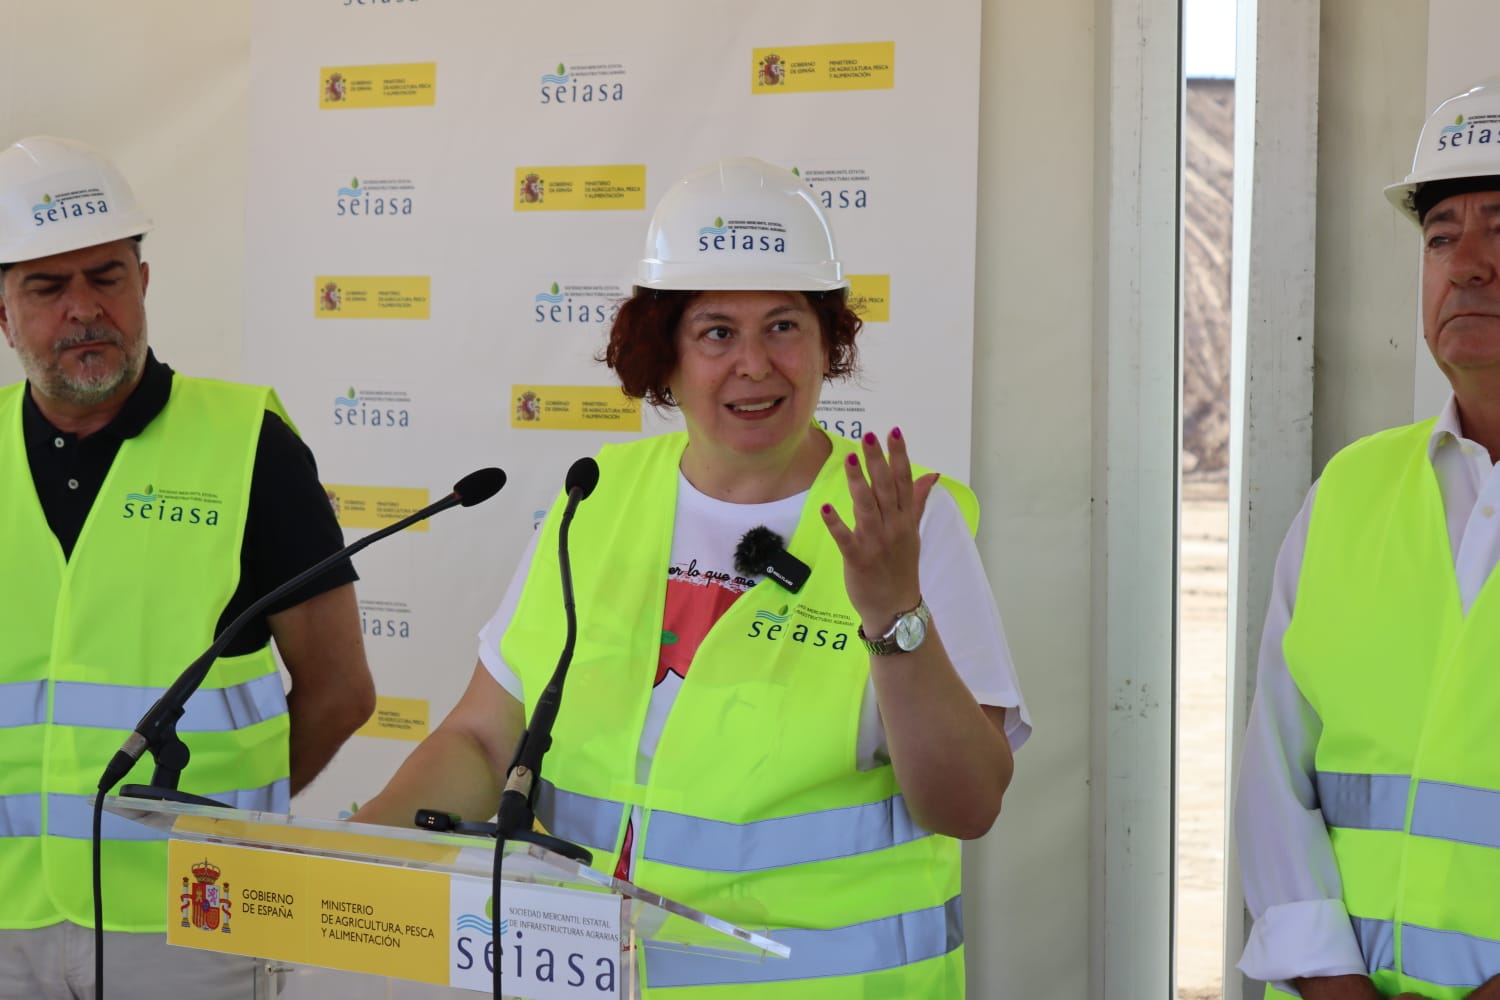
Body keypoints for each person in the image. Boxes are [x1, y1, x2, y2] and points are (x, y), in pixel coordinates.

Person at [357, 157, 1030, 996]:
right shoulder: (597, 499)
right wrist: (358, 853)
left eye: (783, 326)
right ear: (664, 354)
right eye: (716, 332)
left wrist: (896, 616)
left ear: (827, 343)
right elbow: (486, 739)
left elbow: (967, 806)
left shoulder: (906, 518)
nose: (754, 363)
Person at [0, 135, 376, 999]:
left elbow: (340, 690)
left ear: (143, 281)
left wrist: (229, 833)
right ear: (5, 314)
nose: (84, 309)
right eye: (47, 287)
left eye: (107, 276)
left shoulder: (248, 446)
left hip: (193, 920)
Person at [1236, 77, 1500, 1000]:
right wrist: (1331, 983)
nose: (1467, 265)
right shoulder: (1350, 492)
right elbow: (1275, 775)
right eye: (1440, 236)